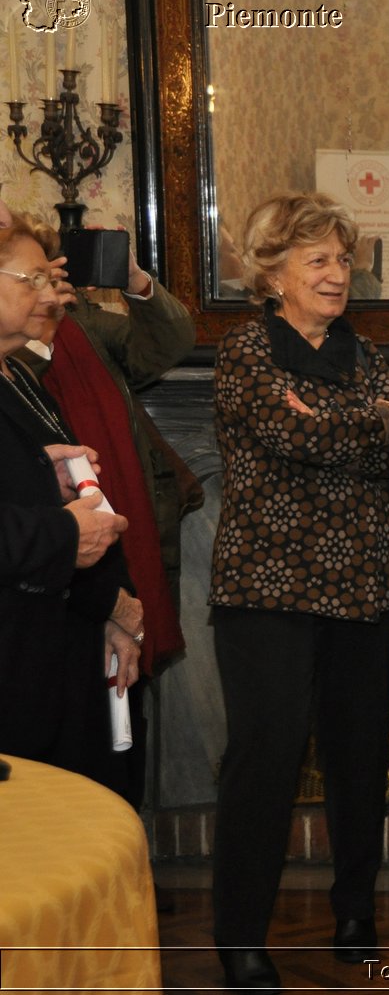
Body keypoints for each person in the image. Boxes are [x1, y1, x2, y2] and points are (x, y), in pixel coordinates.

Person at [208, 191, 389, 991]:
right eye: (319, 261)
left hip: (365, 585)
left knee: (360, 758)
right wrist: (366, 425)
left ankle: (355, 909)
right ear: (273, 273)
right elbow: (285, 431)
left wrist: (348, 423)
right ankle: (240, 935)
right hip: (268, 588)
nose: (339, 275)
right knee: (262, 761)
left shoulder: (362, 355)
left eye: (344, 259)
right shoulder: (244, 352)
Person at [23, 221, 200, 823]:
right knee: (78, 724)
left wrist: (130, 280)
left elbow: (170, 342)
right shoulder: (18, 358)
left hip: (127, 540)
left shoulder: (90, 328)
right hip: (59, 572)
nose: (46, 288)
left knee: (130, 702)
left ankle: (125, 854)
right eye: (31, 278)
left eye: (51, 272)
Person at [0, 208, 141, 792]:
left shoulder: (17, 375)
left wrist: (113, 605)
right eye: (30, 278)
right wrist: (66, 536)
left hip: (46, 649)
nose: (49, 292)